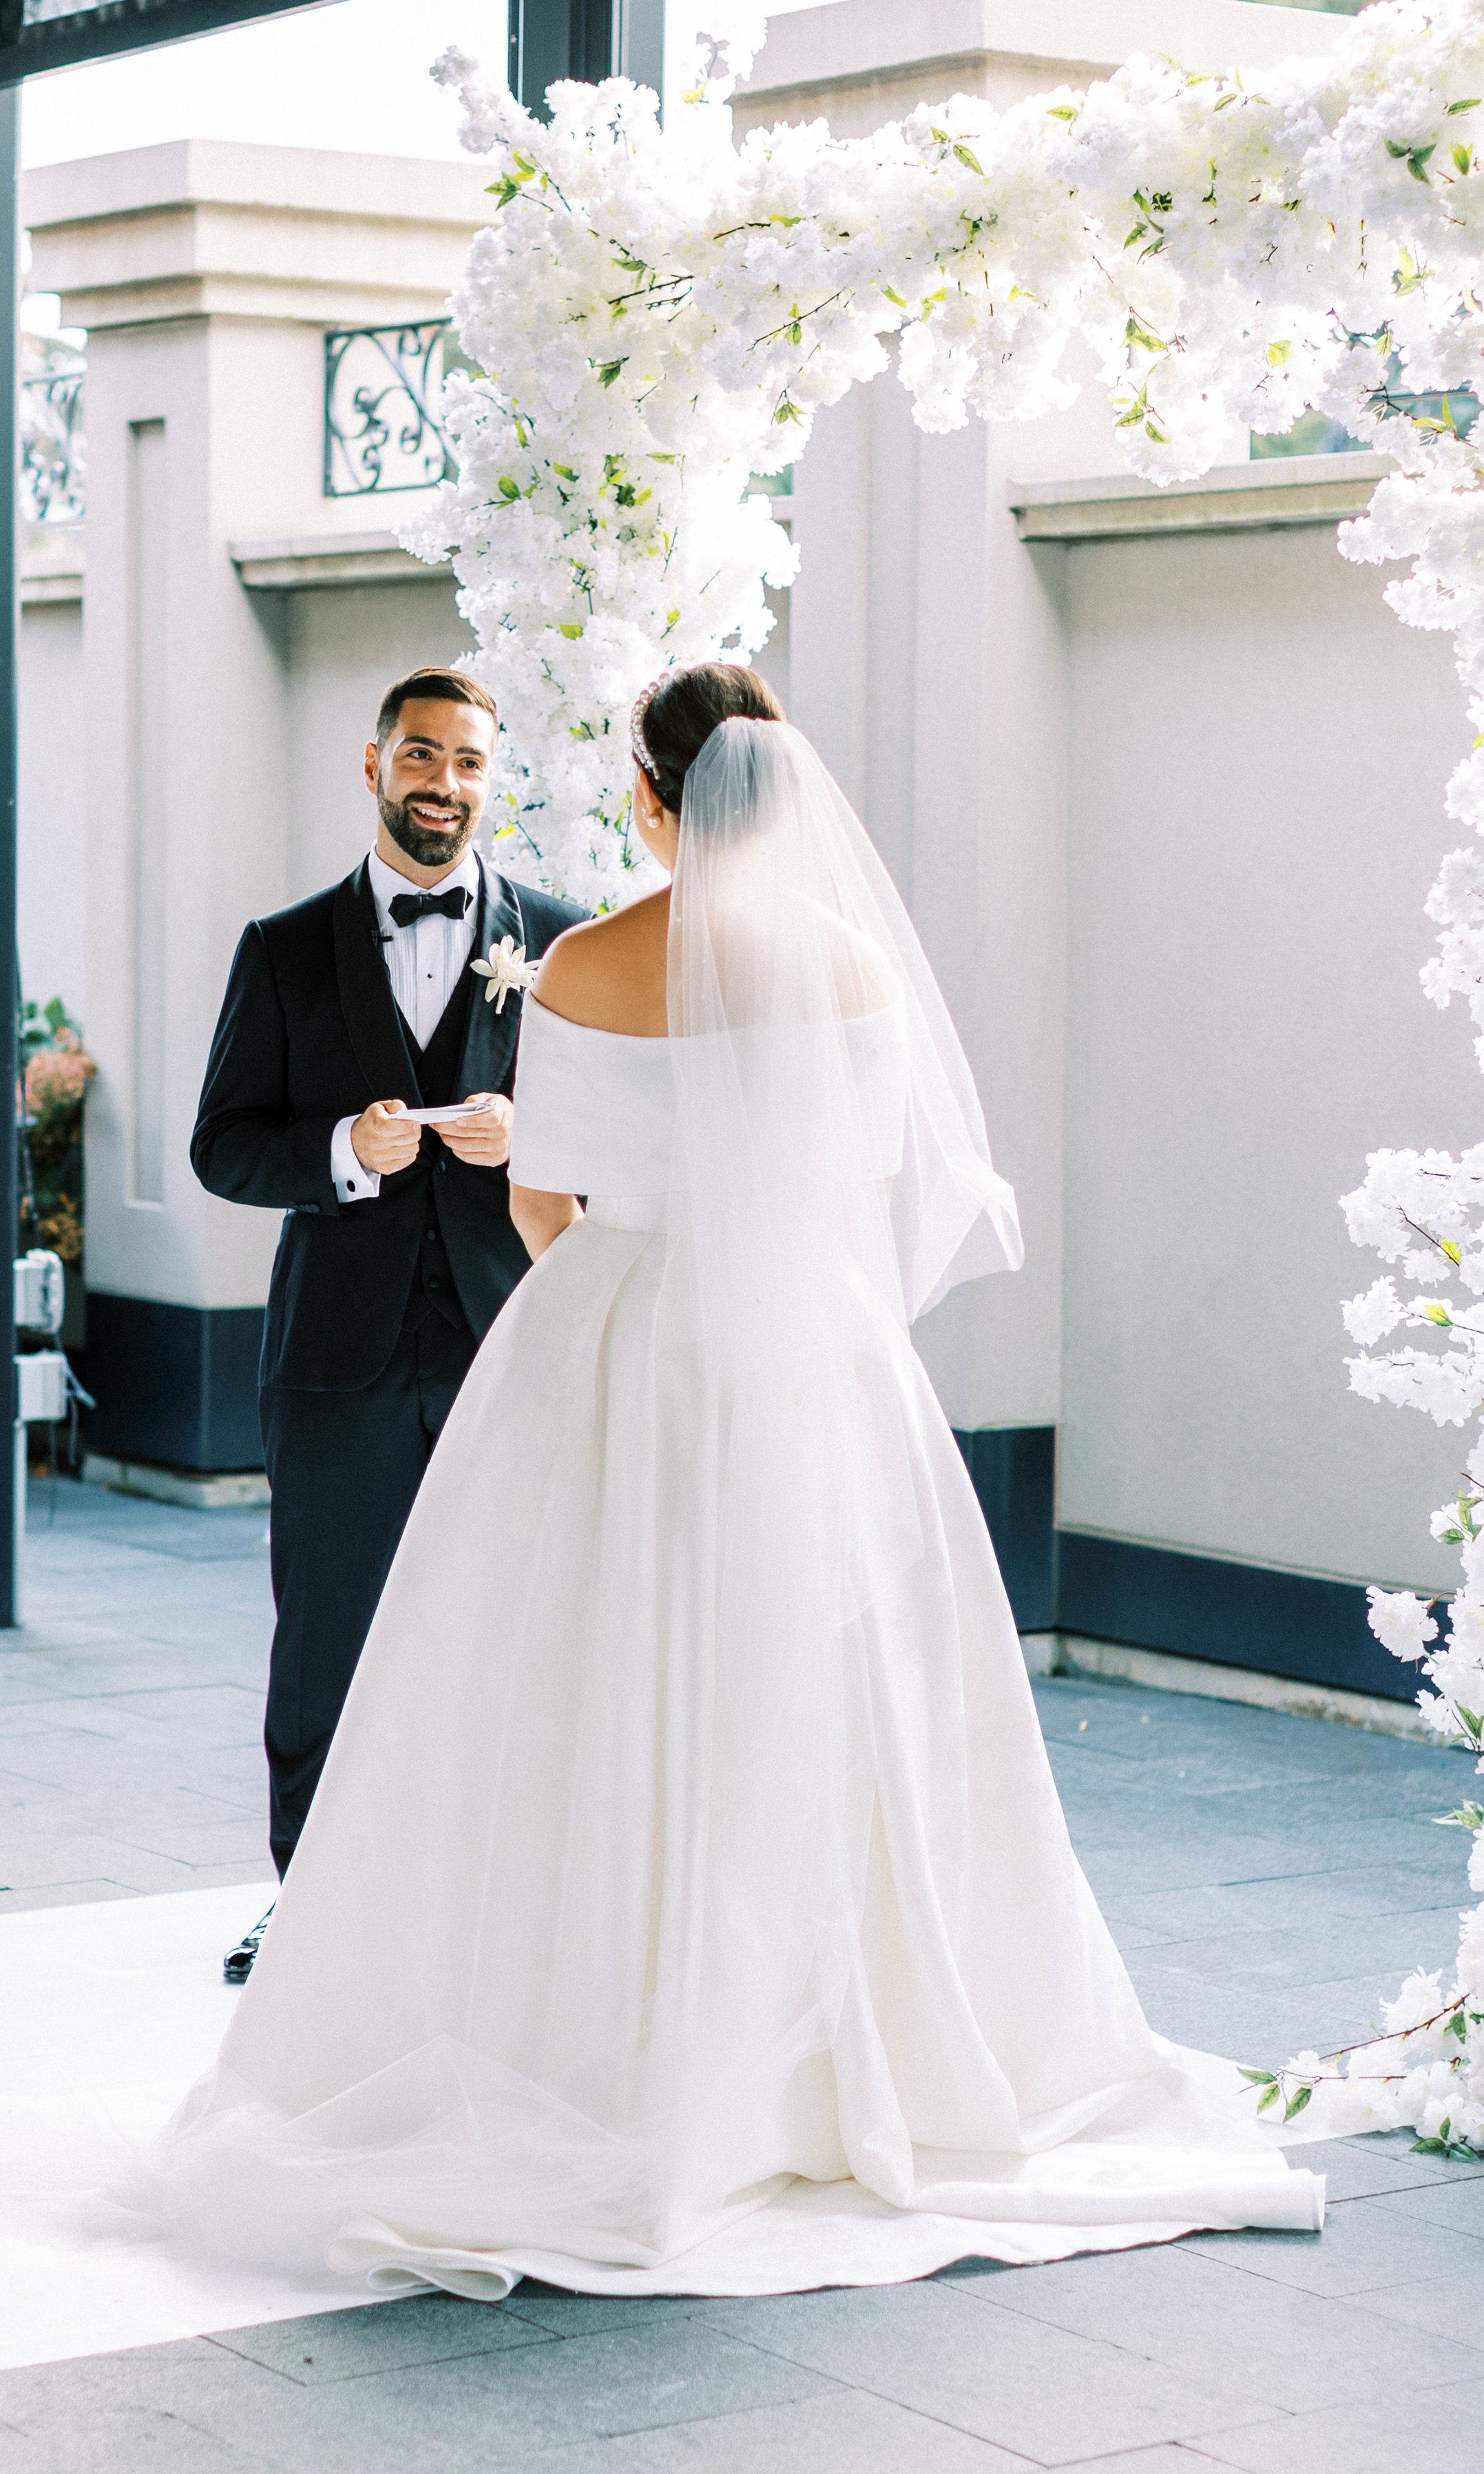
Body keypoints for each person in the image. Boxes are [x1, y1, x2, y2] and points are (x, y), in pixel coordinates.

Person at [154, 663, 1323, 2294]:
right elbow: (872, 1193)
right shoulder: (852, 967)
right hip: (811, 1353)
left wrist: (630, 1270)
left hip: (616, 1342)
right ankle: (837, 2046)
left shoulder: (577, 961)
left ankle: (595, 2031)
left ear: (648, 799)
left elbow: (540, 1204)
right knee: (830, 1688)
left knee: (582, 1682)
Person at [190, 667, 585, 1977]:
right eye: (422, 758)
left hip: (506, 1349)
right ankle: (306, 1907)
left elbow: (627, 1146)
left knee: (511, 1627)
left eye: (470, 764)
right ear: (373, 767)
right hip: (336, 1363)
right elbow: (221, 1147)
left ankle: (497, 1906)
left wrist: (537, 1139)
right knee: (327, 1639)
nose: (446, 787)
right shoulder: (284, 948)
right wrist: (340, 1153)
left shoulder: (565, 943)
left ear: (494, 779)